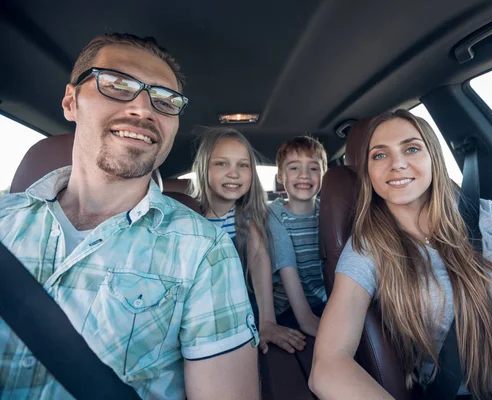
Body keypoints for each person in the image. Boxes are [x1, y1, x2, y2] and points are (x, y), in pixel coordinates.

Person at [0, 33, 259, 400]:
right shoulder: (4, 221)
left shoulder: (204, 249)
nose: (144, 108)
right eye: (118, 85)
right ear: (71, 101)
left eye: (166, 100)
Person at [309, 109, 492, 399]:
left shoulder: (484, 215)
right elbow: (329, 363)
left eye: (411, 148)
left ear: (433, 158)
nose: (397, 164)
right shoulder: (366, 249)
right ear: (368, 172)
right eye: (379, 155)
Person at [189, 128, 306, 354]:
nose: (234, 173)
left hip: (244, 310)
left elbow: (259, 258)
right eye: (222, 164)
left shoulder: (248, 218)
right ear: (202, 168)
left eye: (243, 165)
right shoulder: (190, 218)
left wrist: (267, 321)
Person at [269, 136, 328, 337]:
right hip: (287, 307)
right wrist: (306, 319)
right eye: (294, 168)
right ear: (280, 176)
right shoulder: (275, 215)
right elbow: (287, 267)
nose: (304, 175)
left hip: (324, 301)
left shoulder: (329, 213)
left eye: (313, 168)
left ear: (323, 174)